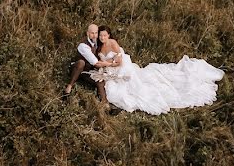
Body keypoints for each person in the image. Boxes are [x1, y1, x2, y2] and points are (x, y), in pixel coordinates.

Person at [89, 25, 224, 115]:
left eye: (105, 35)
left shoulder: (113, 43)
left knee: (134, 88)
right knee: (112, 90)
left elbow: (119, 61)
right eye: (101, 36)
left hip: (120, 69)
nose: (103, 38)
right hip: (109, 72)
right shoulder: (99, 47)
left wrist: (107, 64)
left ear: (109, 35)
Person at [64, 23, 115, 100]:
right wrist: (111, 63)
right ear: (88, 33)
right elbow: (96, 63)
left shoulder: (98, 41)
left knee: (100, 80)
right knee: (81, 63)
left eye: (96, 33)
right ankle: (69, 86)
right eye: (92, 33)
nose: (94, 35)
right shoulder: (83, 46)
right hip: (77, 68)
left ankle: (106, 105)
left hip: (89, 70)